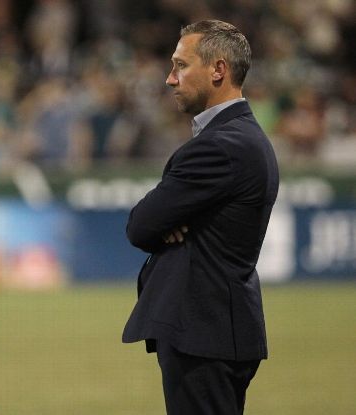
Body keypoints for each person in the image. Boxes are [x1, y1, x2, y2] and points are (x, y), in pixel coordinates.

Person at [122, 20, 279, 415]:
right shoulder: (243, 137)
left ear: (218, 70)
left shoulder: (220, 146)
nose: (170, 78)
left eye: (180, 65)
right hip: (216, 327)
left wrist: (165, 223)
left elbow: (141, 226)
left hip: (202, 330)